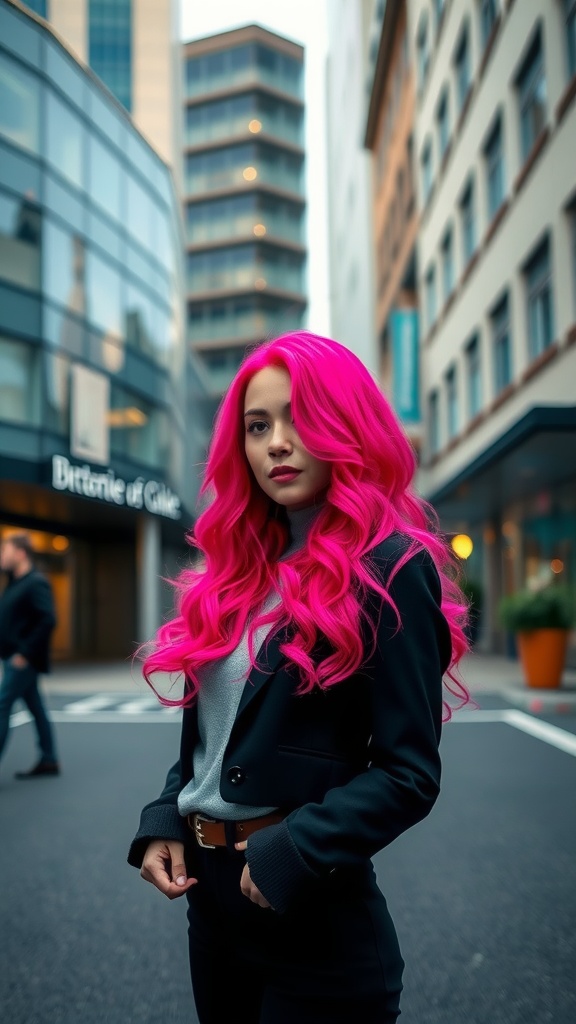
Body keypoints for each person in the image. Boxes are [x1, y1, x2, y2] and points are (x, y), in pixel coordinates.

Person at [128, 332, 470, 1024]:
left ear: (347, 424)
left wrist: (299, 848)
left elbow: (409, 773)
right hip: (212, 906)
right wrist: (167, 816)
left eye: (299, 417)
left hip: (315, 907)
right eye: (258, 427)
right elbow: (211, 745)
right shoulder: (232, 574)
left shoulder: (393, 568)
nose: (277, 443)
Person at [0, 532, 59, 778]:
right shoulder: (14, 583)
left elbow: (48, 619)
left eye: (5, 550)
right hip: (12, 657)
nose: (2, 556)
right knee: (35, 707)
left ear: (21, 553)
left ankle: (49, 758)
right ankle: (49, 759)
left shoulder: (36, 582)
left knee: (2, 705)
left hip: (22, 660)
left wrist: (24, 653)